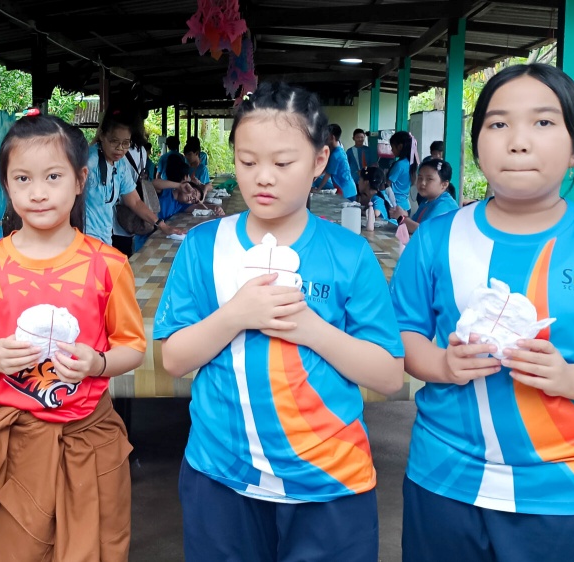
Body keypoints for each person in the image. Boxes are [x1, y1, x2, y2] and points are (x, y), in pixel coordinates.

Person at [390, 63, 574, 562]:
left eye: (544, 123)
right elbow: (403, 335)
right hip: (444, 483)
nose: (518, 141)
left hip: (570, 493)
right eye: (498, 124)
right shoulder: (436, 240)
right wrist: (440, 365)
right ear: (477, 144)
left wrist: (570, 379)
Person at [154, 82, 404, 562]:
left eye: (282, 163)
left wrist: (312, 329)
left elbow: (389, 375)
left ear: (319, 161)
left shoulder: (348, 253)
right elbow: (173, 358)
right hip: (220, 473)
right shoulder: (204, 246)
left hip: (329, 478)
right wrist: (235, 316)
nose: (262, 178)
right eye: (247, 162)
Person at [0, 113, 146, 561]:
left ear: (80, 180)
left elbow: (132, 348)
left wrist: (96, 364)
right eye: (22, 178)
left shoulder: (108, 265)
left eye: (53, 176)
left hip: (89, 441)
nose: (38, 192)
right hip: (14, 443)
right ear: (6, 184)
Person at [85, 107, 182, 246]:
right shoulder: (88, 162)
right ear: (102, 136)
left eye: (125, 143)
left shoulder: (120, 164)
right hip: (84, 240)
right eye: (114, 141)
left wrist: (163, 226)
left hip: (104, 240)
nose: (120, 148)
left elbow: (135, 201)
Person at [402, 158, 458, 233]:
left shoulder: (445, 204)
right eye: (420, 178)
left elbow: (425, 232)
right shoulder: (427, 201)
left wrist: (403, 218)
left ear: (444, 185)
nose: (422, 183)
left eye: (429, 179)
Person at [314, 123, 358, 200]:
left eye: (326, 136)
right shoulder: (339, 150)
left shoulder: (336, 154)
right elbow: (326, 169)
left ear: (331, 137)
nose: (324, 139)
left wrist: (318, 190)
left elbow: (328, 174)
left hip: (346, 191)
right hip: (350, 189)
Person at [386, 130, 418, 218]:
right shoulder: (410, 163)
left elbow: (388, 184)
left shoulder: (400, 164)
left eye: (392, 147)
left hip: (396, 206)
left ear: (400, 147)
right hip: (406, 206)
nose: (392, 150)